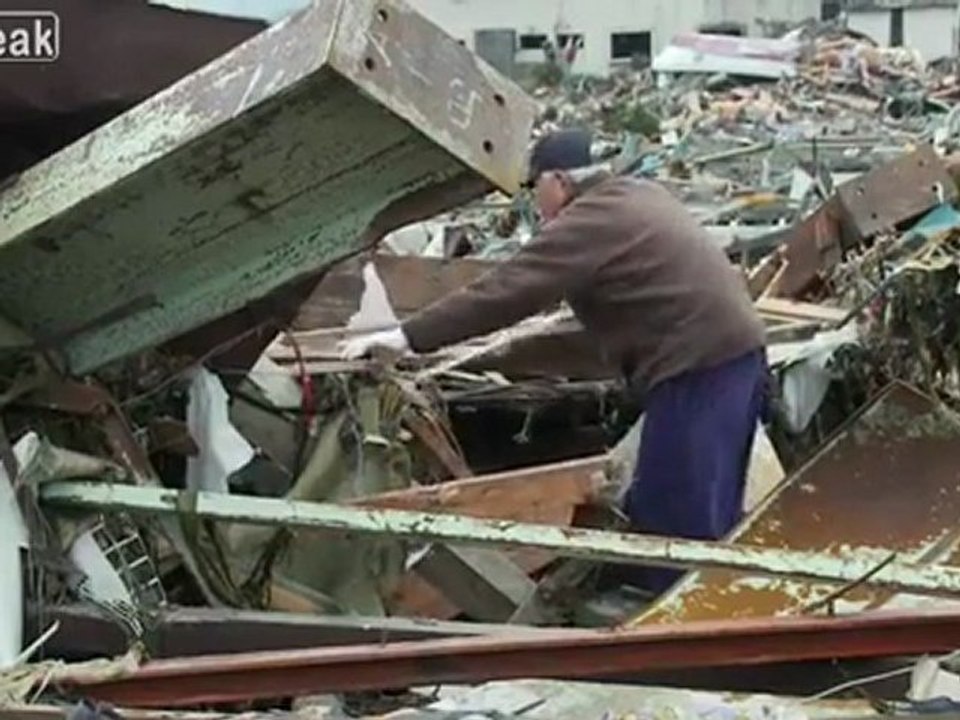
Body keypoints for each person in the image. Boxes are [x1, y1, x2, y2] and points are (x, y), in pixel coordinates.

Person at [341, 129, 768, 594]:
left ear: (559, 181)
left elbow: (506, 291)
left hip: (698, 367)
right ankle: (707, 605)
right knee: (709, 505)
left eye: (532, 185)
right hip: (734, 355)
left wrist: (405, 337)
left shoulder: (589, 221)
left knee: (674, 519)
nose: (531, 198)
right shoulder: (632, 194)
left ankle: (674, 633)